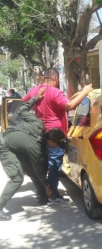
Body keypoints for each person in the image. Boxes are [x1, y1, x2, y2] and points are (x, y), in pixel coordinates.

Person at [22, 68, 93, 203]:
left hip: (39, 134)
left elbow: (23, 101)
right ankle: (52, 194)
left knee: (43, 164)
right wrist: (84, 92)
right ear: (56, 79)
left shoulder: (35, 90)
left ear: (44, 78)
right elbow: (70, 105)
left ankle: (43, 192)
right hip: (54, 137)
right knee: (54, 165)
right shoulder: (56, 92)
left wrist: (36, 100)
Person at [0, 88, 58, 221]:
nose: (56, 148)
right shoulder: (36, 148)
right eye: (56, 145)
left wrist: (35, 98)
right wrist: (47, 186)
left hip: (15, 145)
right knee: (17, 178)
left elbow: (21, 111)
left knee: (31, 170)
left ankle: (42, 197)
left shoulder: (39, 124)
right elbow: (39, 170)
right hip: (5, 147)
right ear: (49, 141)